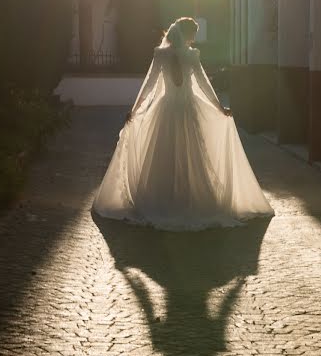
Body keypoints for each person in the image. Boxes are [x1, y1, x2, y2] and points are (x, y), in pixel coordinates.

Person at [93, 17, 274, 231]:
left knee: (164, 154)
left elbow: (149, 85)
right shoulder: (191, 56)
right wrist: (219, 107)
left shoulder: (160, 55)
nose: (194, 39)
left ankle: (164, 198)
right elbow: (204, 84)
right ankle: (189, 199)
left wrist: (134, 110)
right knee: (192, 155)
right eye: (193, 35)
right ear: (187, 34)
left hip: (166, 109)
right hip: (189, 110)